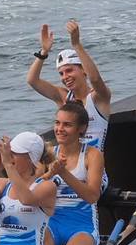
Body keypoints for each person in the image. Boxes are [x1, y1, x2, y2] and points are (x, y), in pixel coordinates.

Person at [43, 102, 105, 245]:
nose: (60, 129)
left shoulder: (92, 155)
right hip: (51, 224)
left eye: (67, 125)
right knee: (27, 244)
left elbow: (92, 196)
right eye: (57, 123)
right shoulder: (47, 154)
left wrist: (63, 173)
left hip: (82, 226)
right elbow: (31, 190)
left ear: (82, 129)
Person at [27, 20, 112, 149]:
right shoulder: (64, 97)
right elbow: (32, 80)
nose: (65, 77)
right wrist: (43, 52)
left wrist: (76, 45)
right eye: (61, 73)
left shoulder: (98, 97)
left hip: (93, 164)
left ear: (83, 70)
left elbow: (95, 79)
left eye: (69, 70)